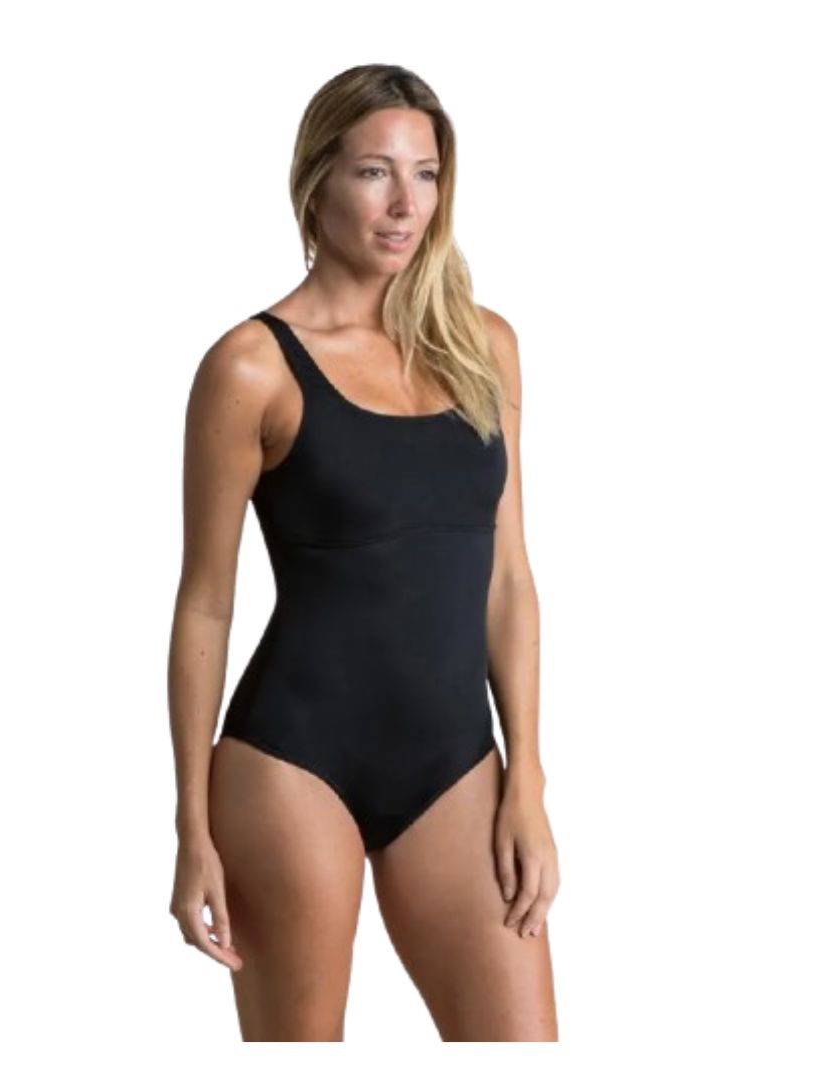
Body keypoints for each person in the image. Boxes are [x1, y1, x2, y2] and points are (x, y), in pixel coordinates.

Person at [167, 64, 560, 1041]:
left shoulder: (484, 348)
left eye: (425, 175)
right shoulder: (251, 366)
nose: (404, 204)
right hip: (291, 761)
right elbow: (204, 602)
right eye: (374, 173)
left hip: (456, 765)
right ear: (317, 183)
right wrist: (190, 825)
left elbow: (509, 579)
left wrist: (528, 777)